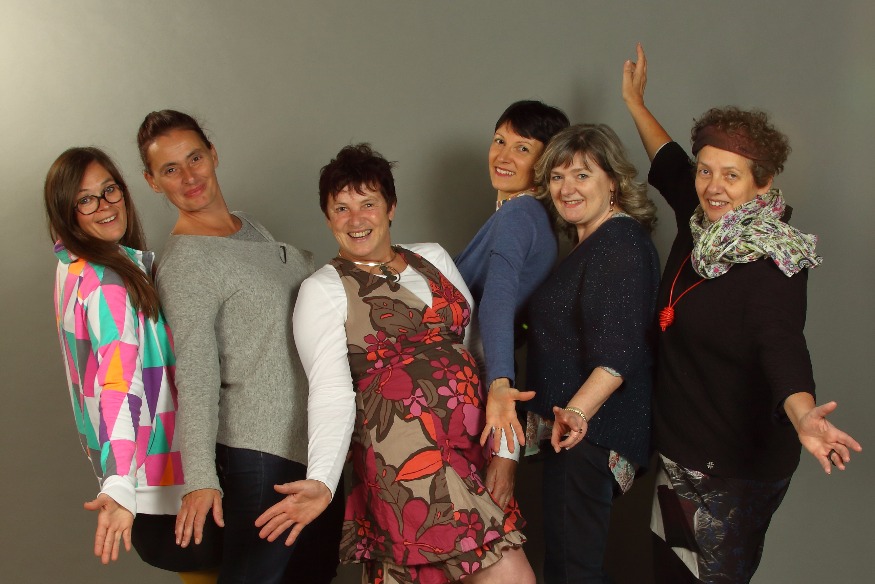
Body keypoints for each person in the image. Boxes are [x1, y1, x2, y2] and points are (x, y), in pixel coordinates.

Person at [622, 44, 862, 583]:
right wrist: (636, 103)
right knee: (669, 572)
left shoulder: (775, 260)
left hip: (731, 467)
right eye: (706, 171)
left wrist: (804, 414)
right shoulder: (702, 219)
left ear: (762, 183)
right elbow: (669, 162)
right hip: (679, 450)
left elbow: (781, 342)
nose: (713, 186)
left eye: (730, 176)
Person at [255, 144, 536, 584]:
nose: (356, 219)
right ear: (328, 218)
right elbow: (330, 392)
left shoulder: (434, 258)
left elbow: (478, 355)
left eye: (368, 203)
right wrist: (323, 480)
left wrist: (505, 452)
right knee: (511, 577)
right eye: (341, 208)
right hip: (408, 459)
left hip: (471, 447)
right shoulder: (322, 290)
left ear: (391, 208)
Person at [137, 110, 342, 584]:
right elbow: (194, 376)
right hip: (260, 454)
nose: (189, 177)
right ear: (152, 181)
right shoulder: (186, 264)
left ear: (213, 154)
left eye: (194, 158)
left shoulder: (249, 228)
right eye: (170, 169)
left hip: (316, 447)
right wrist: (200, 479)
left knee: (316, 577)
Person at [45, 147, 221, 582]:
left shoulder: (74, 267)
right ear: (67, 212)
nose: (105, 205)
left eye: (110, 190)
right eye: (86, 200)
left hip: (154, 487)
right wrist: (120, 482)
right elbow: (118, 385)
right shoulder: (108, 284)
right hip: (163, 486)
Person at [522, 124, 660, 583]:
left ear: (613, 182)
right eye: (557, 177)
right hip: (577, 430)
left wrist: (577, 414)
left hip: (587, 431)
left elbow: (621, 349)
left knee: (573, 572)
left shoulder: (619, 242)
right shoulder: (593, 245)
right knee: (569, 566)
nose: (567, 188)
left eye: (582, 175)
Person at [455, 100, 569, 508]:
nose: (503, 156)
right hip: (476, 385)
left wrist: (501, 385)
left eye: (522, 148)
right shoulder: (525, 216)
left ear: (546, 162)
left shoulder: (519, 214)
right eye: (499, 140)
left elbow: (499, 303)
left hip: (470, 387)